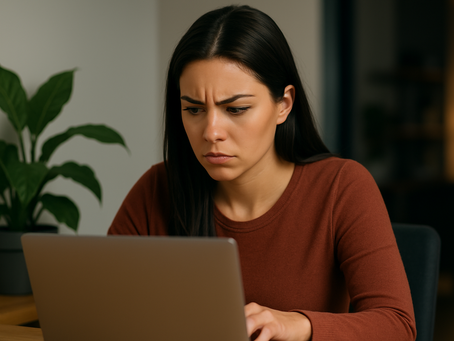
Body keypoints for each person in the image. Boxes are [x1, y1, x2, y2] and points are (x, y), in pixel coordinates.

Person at [108, 5, 416, 341]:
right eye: (193, 109)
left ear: (283, 105)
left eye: (236, 109)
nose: (211, 131)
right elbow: (99, 305)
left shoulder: (342, 187)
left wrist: (299, 325)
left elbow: (397, 324)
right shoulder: (158, 187)